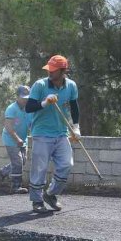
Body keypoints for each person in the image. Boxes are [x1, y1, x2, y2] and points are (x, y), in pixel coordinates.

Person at [24, 55, 80, 213]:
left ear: (63, 71)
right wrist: (45, 102)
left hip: (61, 133)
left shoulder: (71, 86)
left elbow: (75, 107)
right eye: (49, 68)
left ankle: (50, 194)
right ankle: (36, 201)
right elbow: (29, 107)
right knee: (39, 169)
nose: (49, 72)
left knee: (66, 165)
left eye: (53, 70)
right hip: (41, 133)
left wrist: (76, 128)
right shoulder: (40, 85)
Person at [0, 84, 33, 193]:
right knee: (18, 161)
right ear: (17, 97)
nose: (25, 100)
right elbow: (9, 127)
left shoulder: (28, 109)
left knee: (23, 161)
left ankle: (2, 172)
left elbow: (30, 124)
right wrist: (17, 140)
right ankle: (16, 186)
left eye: (27, 98)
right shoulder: (11, 109)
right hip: (11, 139)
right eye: (23, 98)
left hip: (22, 139)